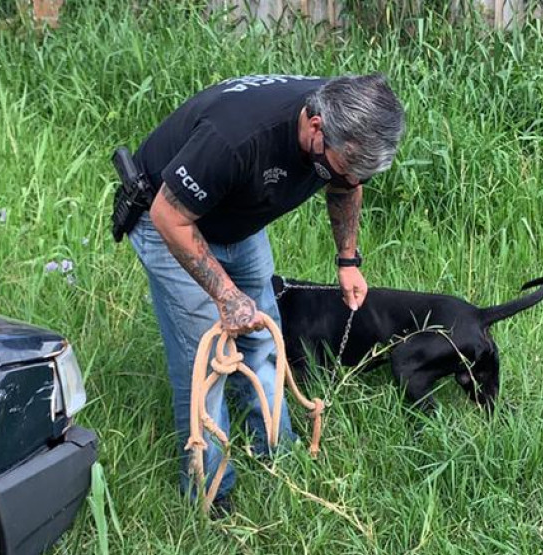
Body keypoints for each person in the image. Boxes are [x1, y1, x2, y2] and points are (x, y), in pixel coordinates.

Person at [126, 73, 405, 516]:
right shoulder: (236, 137)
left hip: (237, 217)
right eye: (343, 167)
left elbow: (346, 185)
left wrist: (348, 260)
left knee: (263, 339)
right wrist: (226, 296)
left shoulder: (346, 121)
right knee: (207, 358)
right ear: (316, 127)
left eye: (361, 172)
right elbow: (169, 216)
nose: (350, 177)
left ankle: (278, 455)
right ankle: (209, 492)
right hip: (169, 219)